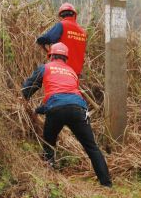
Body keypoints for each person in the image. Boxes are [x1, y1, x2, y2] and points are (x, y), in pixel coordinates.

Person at [21, 42, 112, 187]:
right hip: (78, 109)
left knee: (48, 144)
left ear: (50, 56)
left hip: (56, 109)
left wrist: (24, 101)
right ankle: (106, 183)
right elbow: (66, 98)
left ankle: (48, 180)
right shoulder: (71, 72)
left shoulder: (45, 68)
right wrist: (40, 109)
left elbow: (28, 89)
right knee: (92, 147)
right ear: (65, 58)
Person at [36, 3, 87, 76]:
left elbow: (49, 38)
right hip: (76, 72)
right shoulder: (83, 32)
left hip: (62, 70)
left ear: (61, 16)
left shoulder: (62, 25)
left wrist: (40, 39)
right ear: (74, 15)